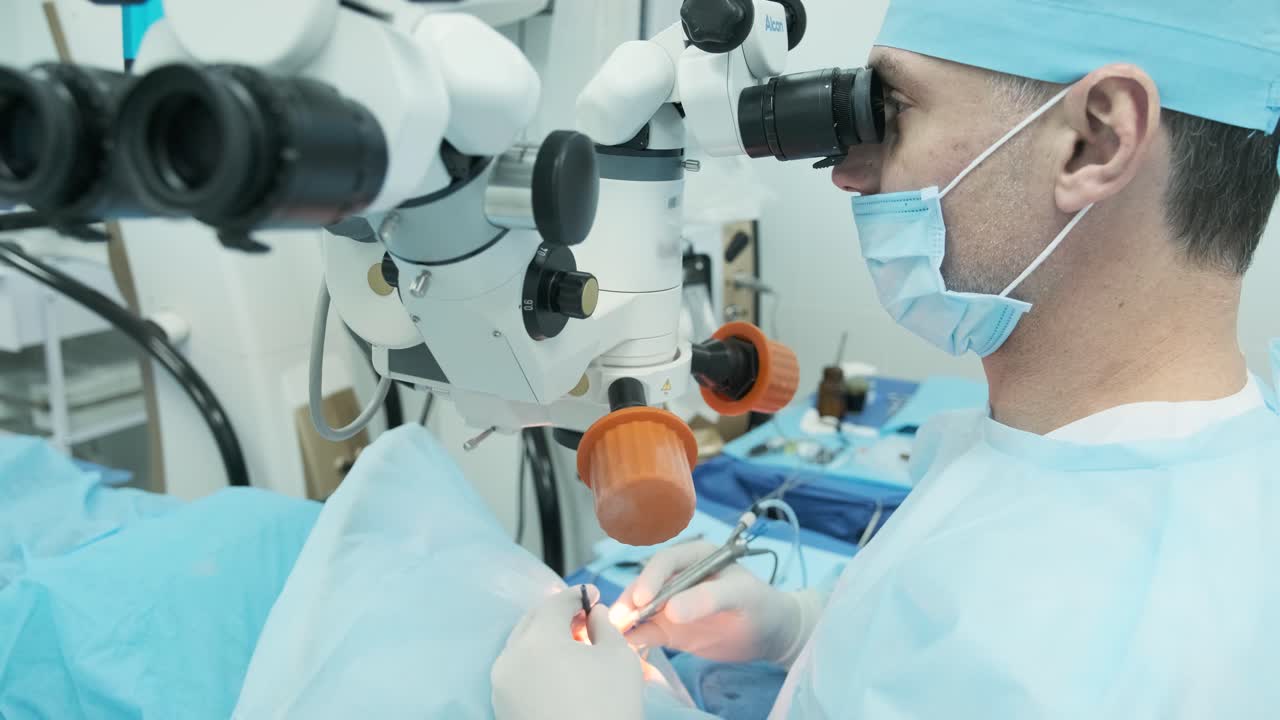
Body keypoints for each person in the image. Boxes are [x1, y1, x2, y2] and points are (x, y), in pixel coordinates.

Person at [492, 0, 1280, 717]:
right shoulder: (1096, 456)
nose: (848, 170)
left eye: (892, 111)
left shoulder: (1089, 662)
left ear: (1094, 139)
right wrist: (802, 631)